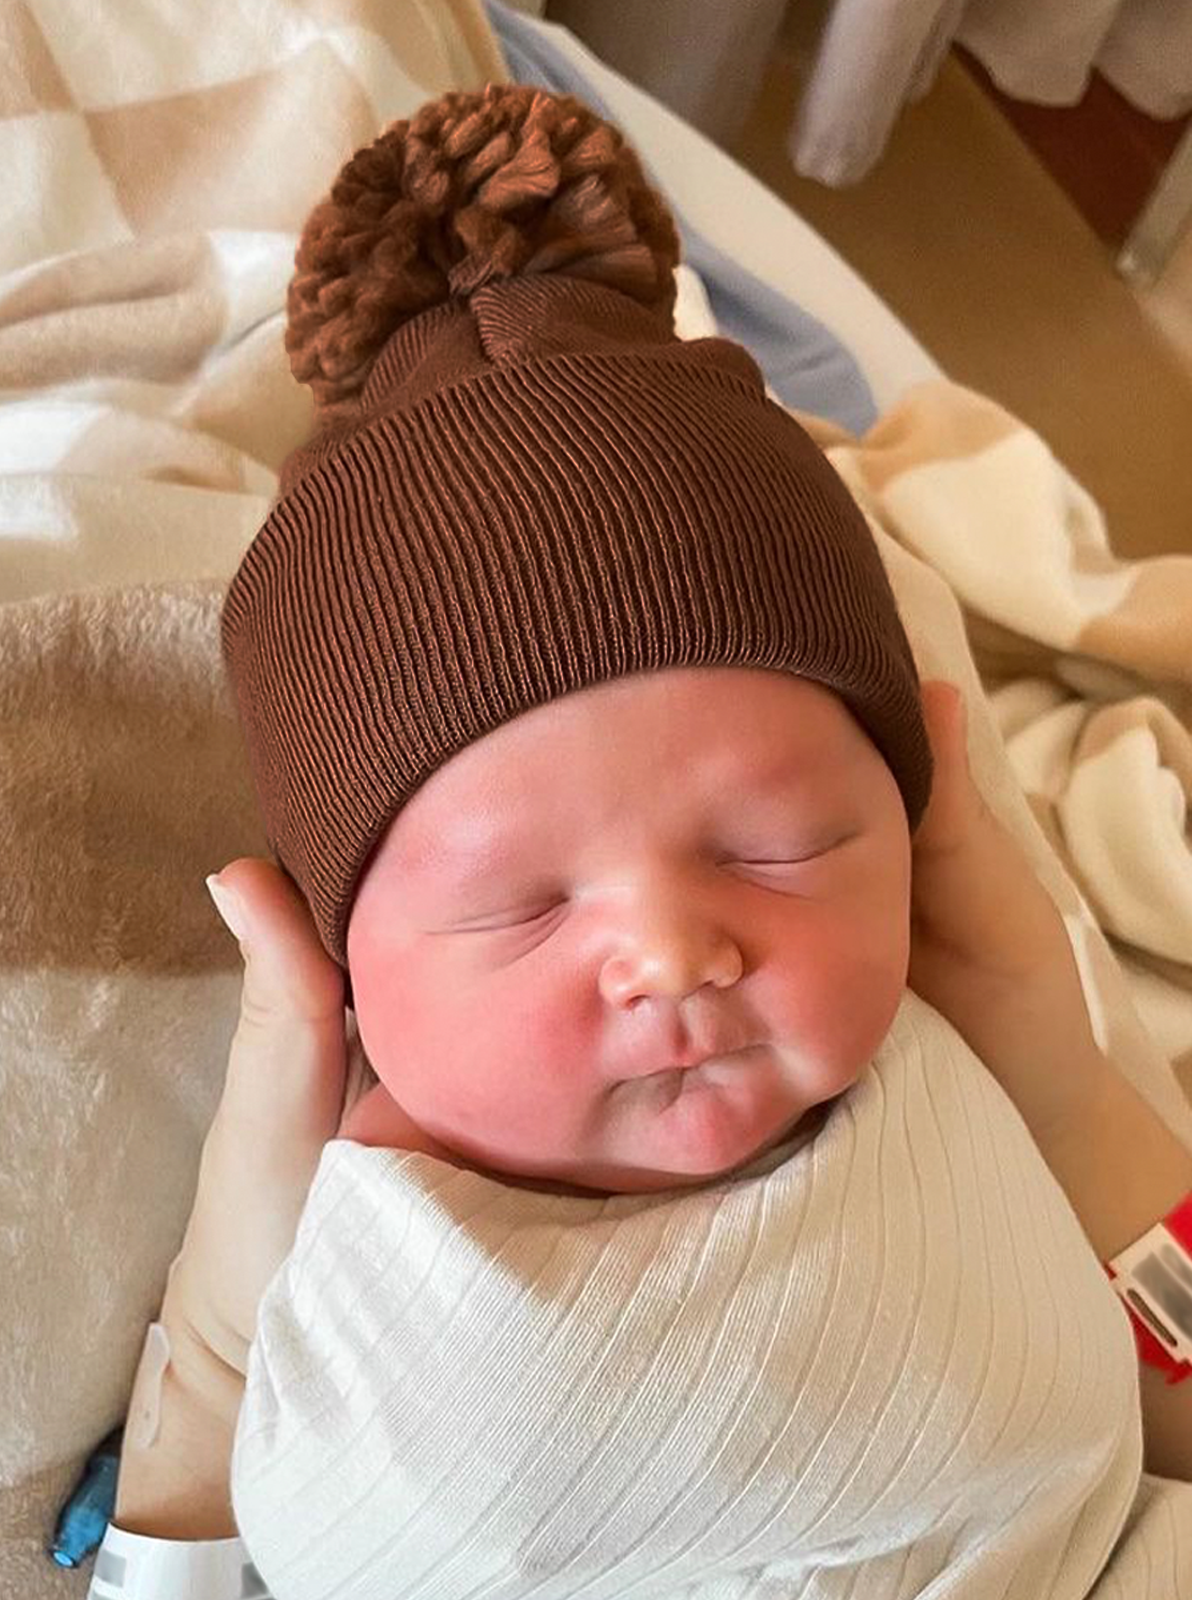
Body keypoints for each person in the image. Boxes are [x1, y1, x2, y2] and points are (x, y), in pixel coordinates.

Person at [106, 83, 1191, 1600]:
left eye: (779, 844)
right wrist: (241, 1250)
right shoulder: (347, 1233)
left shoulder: (946, 1064)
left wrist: (1047, 1045)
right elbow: (194, 1494)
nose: (674, 954)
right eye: (520, 903)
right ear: (345, 957)